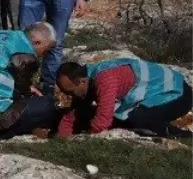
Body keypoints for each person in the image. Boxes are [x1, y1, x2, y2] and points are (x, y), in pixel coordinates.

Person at [56, 59, 193, 138]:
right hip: (160, 92)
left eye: (71, 92)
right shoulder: (86, 78)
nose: (70, 96)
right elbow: (73, 115)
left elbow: (102, 121)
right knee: (121, 118)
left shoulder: (104, 79)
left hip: (178, 94)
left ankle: (181, 136)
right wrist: (62, 139)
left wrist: (86, 139)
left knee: (137, 118)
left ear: (82, 82)